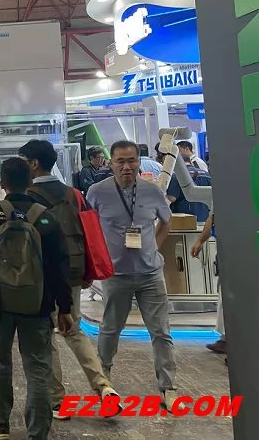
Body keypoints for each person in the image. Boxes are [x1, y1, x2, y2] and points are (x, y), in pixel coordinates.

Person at [0, 158, 74, 440]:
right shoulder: (45, 217)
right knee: (38, 366)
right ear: (30, 181)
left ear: (4, 183)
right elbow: (60, 266)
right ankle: (38, 431)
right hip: (38, 303)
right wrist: (64, 307)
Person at [18, 140, 117, 418]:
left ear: (34, 164)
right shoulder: (74, 194)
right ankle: (104, 386)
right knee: (73, 329)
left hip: (38, 276)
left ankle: (57, 400)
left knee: (45, 334)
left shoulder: (27, 196)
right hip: (72, 273)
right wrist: (86, 271)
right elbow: (90, 234)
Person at [88, 140, 176, 408]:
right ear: (111, 163)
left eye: (131, 161)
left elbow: (167, 221)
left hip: (151, 274)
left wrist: (153, 247)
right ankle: (104, 383)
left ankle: (168, 387)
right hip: (116, 275)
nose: (126, 167)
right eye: (120, 161)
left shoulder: (152, 191)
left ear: (139, 162)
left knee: (161, 332)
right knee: (110, 330)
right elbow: (89, 227)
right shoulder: (97, 192)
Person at [191, 213, 225, 355]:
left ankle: (228, 340)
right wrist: (200, 240)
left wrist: (200, 241)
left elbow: (212, 218)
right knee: (225, 295)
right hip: (228, 249)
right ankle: (227, 339)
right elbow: (212, 218)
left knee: (227, 296)